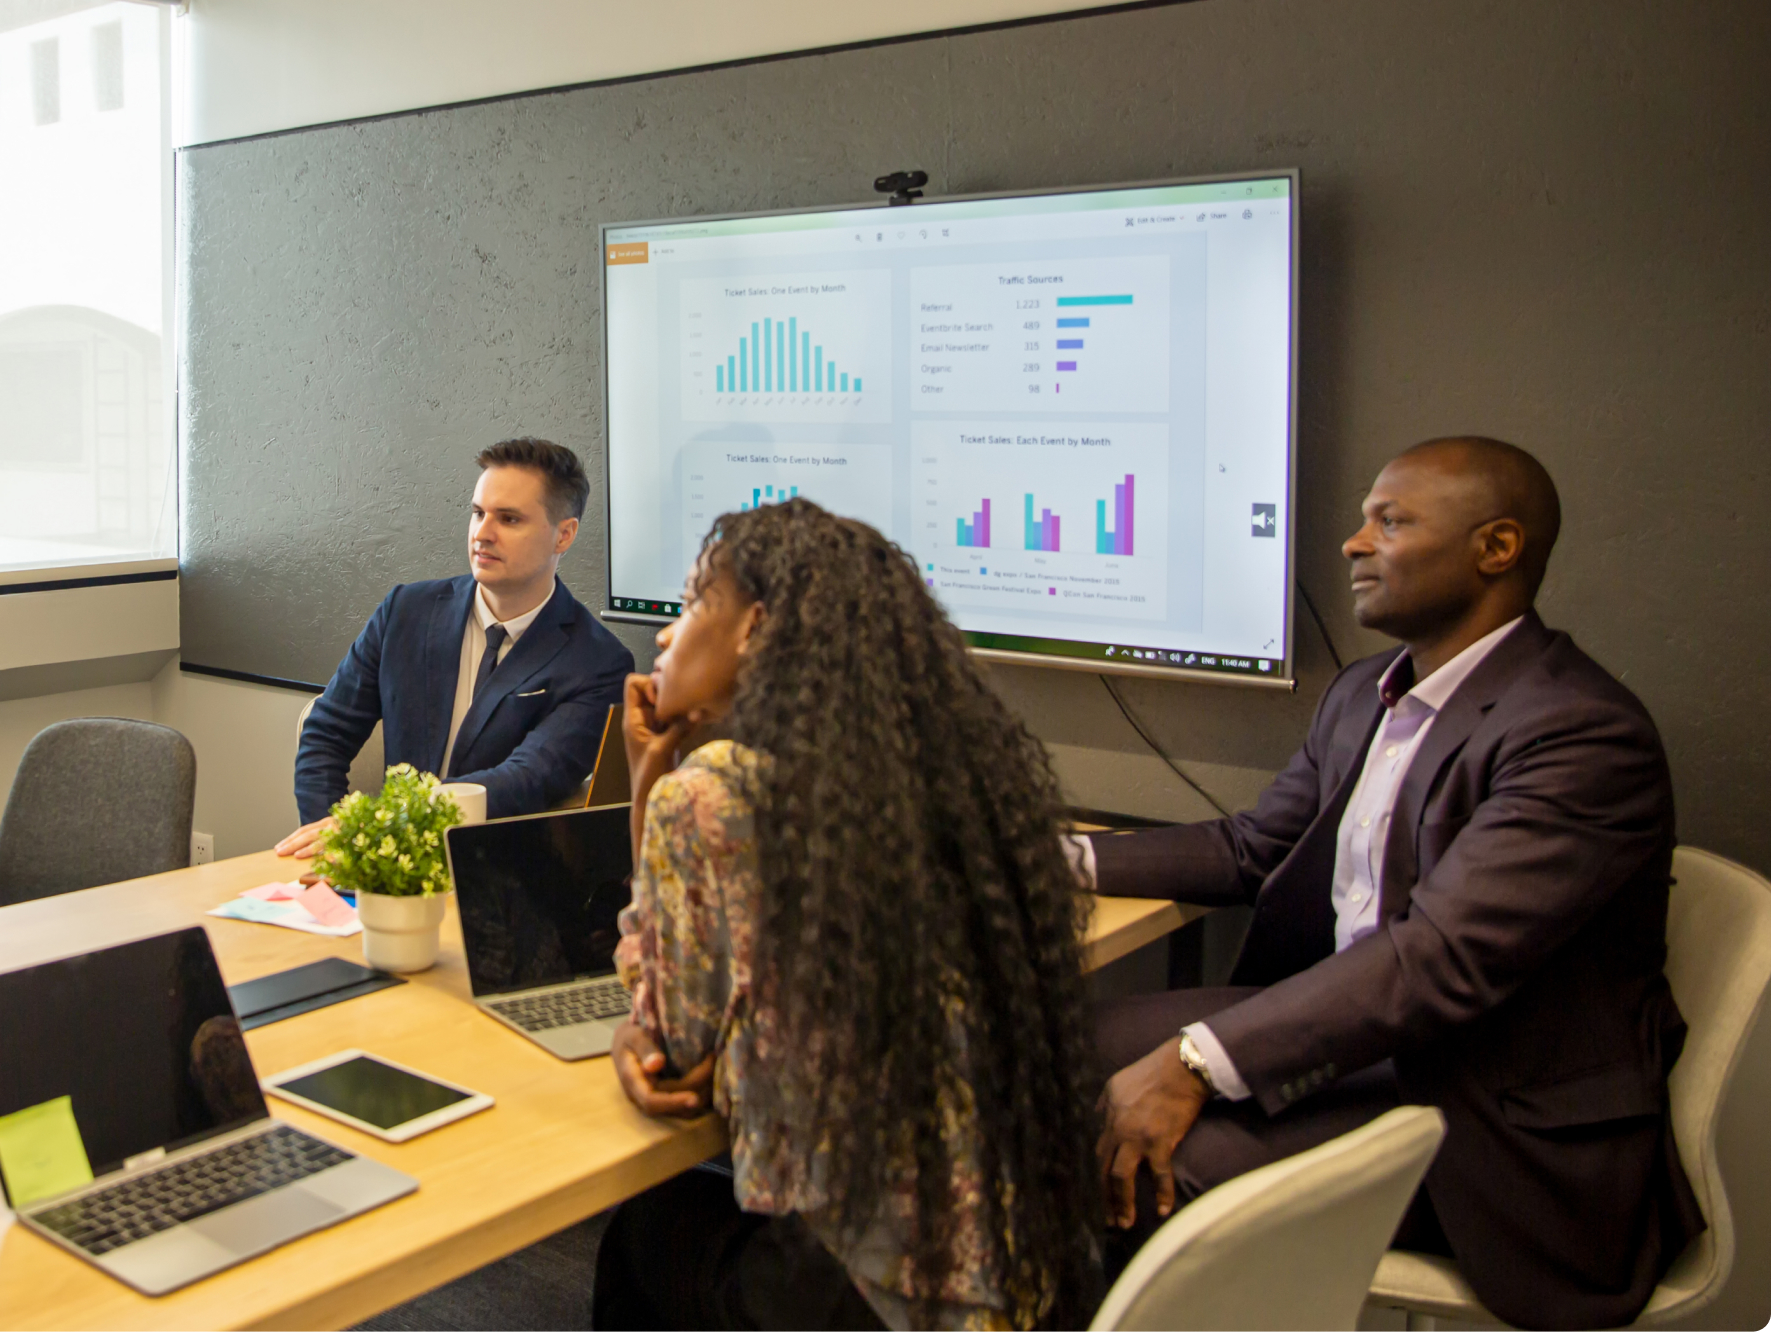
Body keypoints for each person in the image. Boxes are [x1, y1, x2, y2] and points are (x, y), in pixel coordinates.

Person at [1086, 437, 1698, 1330]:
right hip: (1379, 1045)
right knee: (1064, 1043)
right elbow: (1255, 846)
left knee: (1159, 1163)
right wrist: (1043, 857)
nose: (1352, 543)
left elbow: (1437, 958)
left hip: (1490, 1113)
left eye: (1391, 521)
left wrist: (1193, 1063)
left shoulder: (1578, 733)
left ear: (1496, 548)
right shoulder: (1369, 691)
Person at [595, 499, 1100, 1331]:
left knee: (645, 1237)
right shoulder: (928, 786)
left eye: (690, 605)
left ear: (753, 629)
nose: (664, 636)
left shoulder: (713, 794)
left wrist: (647, 788)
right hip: (1018, 1271)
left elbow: (676, 1053)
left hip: (878, 1291)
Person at [279, 438, 633, 853]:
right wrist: (337, 844)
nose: (483, 533)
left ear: (564, 535)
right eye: (478, 513)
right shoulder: (406, 611)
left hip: (499, 878)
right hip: (383, 867)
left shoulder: (599, 664)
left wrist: (380, 827)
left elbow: (525, 779)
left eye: (509, 519)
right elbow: (327, 731)